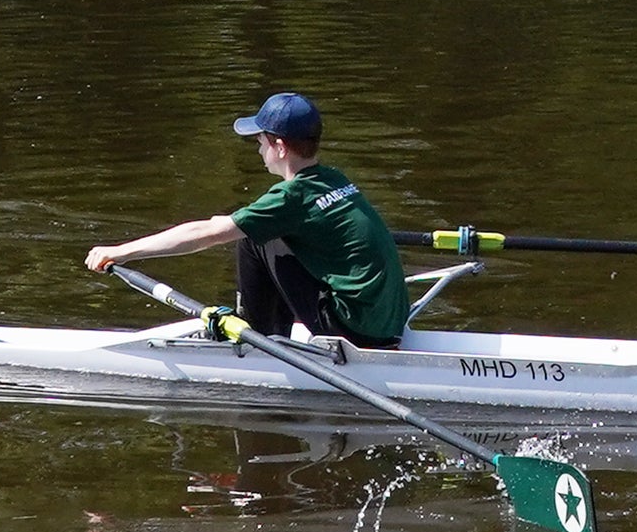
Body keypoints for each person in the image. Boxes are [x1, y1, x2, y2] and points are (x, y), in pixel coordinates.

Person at [85, 91, 412, 348]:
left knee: (254, 238)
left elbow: (207, 234)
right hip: (390, 322)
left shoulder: (289, 198)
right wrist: (231, 220)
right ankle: (273, 331)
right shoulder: (335, 179)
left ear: (280, 147)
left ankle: (258, 341)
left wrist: (122, 251)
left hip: (356, 330)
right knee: (259, 227)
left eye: (260, 143)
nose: (259, 152)